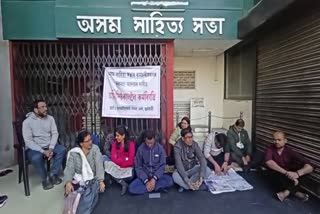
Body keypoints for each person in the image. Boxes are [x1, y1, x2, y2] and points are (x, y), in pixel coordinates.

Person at [22, 99, 66, 190]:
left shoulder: (50, 119)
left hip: (49, 145)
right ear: (35, 110)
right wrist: (42, 151)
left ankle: (53, 174)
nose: (46, 109)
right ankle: (45, 178)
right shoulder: (27, 122)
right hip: (35, 148)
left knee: (62, 149)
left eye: (46, 106)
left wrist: (51, 148)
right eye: (42, 107)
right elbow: (28, 141)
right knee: (36, 157)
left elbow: (55, 133)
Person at [265, 131, 314, 202]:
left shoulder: (289, 151)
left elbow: (309, 165)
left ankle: (286, 193)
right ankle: (295, 192)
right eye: (274, 140)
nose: (276, 142)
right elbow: (269, 162)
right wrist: (287, 173)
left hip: (288, 176)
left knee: (304, 172)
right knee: (276, 176)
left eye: (279, 140)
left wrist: (297, 174)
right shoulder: (270, 148)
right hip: (276, 173)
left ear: (285, 141)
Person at [64, 130, 105, 213]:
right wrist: (68, 182)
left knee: (88, 198)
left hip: (92, 179)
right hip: (78, 181)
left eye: (91, 139)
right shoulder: (75, 153)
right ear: (81, 144)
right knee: (71, 198)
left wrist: (101, 181)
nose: (90, 142)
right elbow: (69, 168)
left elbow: (99, 165)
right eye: (87, 141)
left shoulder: (95, 149)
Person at [128, 130, 173, 194]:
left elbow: (162, 166)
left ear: (154, 139)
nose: (149, 145)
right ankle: (155, 188)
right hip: (145, 177)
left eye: (151, 143)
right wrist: (146, 181)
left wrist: (154, 179)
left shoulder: (160, 148)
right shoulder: (140, 149)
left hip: (157, 177)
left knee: (170, 181)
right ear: (144, 140)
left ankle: (149, 188)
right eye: (147, 143)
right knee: (131, 188)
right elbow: (138, 167)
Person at [104, 126, 135, 196]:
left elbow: (131, 161)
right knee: (106, 164)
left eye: (118, 136)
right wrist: (124, 160)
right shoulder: (115, 144)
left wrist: (119, 161)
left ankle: (116, 179)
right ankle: (122, 183)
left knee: (131, 173)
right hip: (117, 167)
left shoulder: (131, 144)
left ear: (123, 135)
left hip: (127, 169)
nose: (116, 137)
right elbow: (113, 158)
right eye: (115, 136)